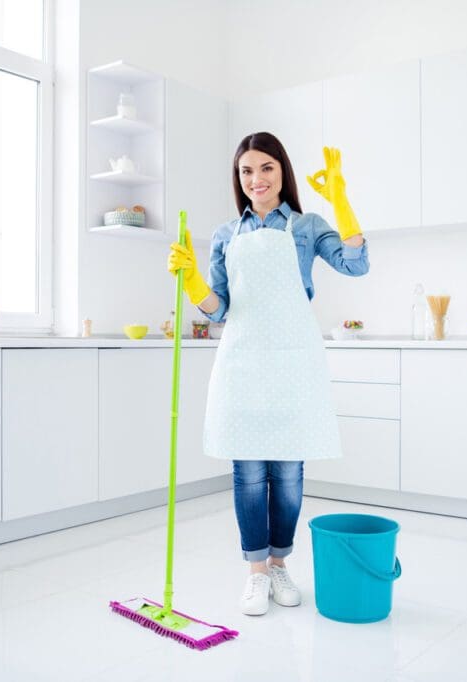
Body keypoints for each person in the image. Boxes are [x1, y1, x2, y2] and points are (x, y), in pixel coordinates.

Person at [166, 132, 369, 616]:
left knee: (289, 473)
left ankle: (280, 564)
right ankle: (256, 573)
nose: (256, 179)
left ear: (282, 172)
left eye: (266, 168)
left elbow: (356, 264)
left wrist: (340, 198)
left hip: (294, 361)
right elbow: (219, 310)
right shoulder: (224, 235)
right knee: (250, 474)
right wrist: (193, 280)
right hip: (243, 361)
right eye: (246, 171)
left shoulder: (307, 226)